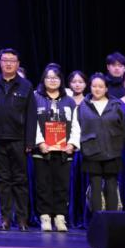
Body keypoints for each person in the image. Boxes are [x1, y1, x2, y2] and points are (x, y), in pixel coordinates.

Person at [0, 48, 34, 231]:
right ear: (0, 63)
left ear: (18, 64)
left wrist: (30, 141)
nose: (8, 63)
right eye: (5, 60)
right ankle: (5, 218)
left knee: (20, 180)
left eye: (12, 61)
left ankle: (22, 219)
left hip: (19, 140)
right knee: (3, 181)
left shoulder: (26, 85)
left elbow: (31, 115)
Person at [32, 64, 81, 232]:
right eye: (49, 78)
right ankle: (45, 217)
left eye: (56, 78)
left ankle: (60, 217)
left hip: (64, 151)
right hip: (42, 150)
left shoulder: (69, 100)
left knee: (62, 184)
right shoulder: (35, 98)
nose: (52, 81)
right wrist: (40, 142)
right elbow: (32, 123)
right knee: (43, 185)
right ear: (43, 80)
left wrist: (72, 144)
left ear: (61, 80)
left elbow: (76, 124)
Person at [79, 73, 125, 214]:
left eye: (100, 86)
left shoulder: (116, 105)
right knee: (95, 185)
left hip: (112, 150)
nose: (97, 89)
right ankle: (97, 219)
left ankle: (112, 219)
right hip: (91, 150)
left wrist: (119, 144)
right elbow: (78, 127)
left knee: (111, 185)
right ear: (90, 87)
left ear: (106, 88)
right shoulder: (83, 105)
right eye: (94, 86)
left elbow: (124, 127)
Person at [66, 69, 90, 228]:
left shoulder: (89, 102)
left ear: (86, 84)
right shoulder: (65, 101)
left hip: (85, 150)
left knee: (83, 185)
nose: (77, 85)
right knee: (69, 185)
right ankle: (69, 216)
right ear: (69, 84)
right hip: (66, 148)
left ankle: (83, 216)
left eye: (80, 82)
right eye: (74, 82)